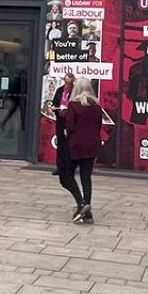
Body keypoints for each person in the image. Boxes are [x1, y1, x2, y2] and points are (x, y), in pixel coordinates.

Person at [62, 77, 102, 222]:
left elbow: (70, 126)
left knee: (66, 174)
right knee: (86, 177)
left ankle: (81, 203)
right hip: (92, 144)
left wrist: (66, 131)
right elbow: (98, 125)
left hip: (76, 144)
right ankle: (87, 210)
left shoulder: (73, 105)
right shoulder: (97, 106)